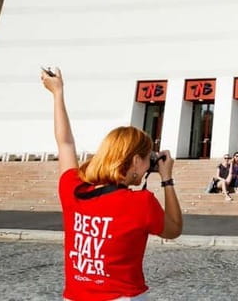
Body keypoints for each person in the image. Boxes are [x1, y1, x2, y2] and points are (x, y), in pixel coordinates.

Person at [41, 67, 182, 301]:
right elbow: (174, 229)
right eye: (148, 159)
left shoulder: (73, 189)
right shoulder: (141, 203)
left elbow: (65, 143)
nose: (150, 164)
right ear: (136, 162)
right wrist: (167, 179)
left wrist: (57, 93)